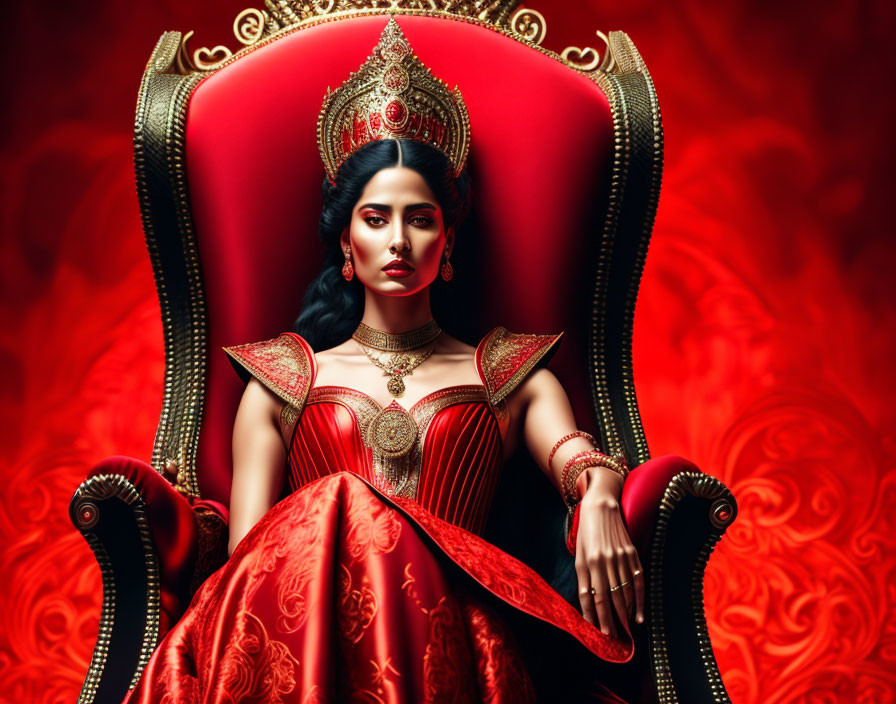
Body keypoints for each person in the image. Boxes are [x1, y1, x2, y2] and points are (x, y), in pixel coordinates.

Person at [128, 18, 647, 703]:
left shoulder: (509, 374)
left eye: (421, 218)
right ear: (346, 244)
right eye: (376, 219)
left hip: (464, 644)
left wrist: (603, 491)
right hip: (309, 649)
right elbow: (249, 570)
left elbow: (575, 457)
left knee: (344, 498)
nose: (398, 241)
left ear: (448, 239)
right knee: (336, 499)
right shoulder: (282, 382)